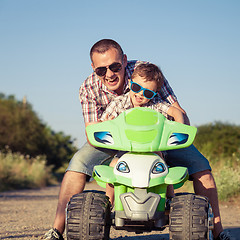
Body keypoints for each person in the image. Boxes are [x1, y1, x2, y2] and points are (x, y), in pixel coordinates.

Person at [44, 39, 231, 240]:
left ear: (124, 61)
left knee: (201, 166)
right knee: (78, 163)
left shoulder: (146, 73)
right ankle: (58, 229)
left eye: (115, 66)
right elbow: (93, 130)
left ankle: (217, 230)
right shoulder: (88, 88)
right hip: (115, 139)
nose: (109, 74)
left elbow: (176, 109)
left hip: (158, 137)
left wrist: (179, 129)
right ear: (93, 68)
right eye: (101, 70)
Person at [102, 62, 189, 204]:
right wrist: (109, 122)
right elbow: (104, 122)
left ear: (154, 94)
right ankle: (109, 202)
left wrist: (179, 127)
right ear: (130, 83)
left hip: (152, 150)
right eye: (136, 87)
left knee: (162, 165)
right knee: (113, 166)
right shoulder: (118, 104)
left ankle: (169, 200)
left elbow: (175, 111)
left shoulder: (155, 104)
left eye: (148, 92)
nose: (140, 94)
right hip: (126, 150)